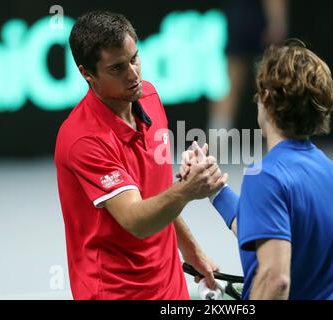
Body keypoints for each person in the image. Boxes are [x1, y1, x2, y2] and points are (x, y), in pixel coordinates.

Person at [55, 11, 227, 300]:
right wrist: (187, 190)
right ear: (87, 73)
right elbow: (137, 220)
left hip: (170, 285)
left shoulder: (148, 97)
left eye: (135, 58)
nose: (134, 74)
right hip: (114, 292)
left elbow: (155, 194)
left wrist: (190, 248)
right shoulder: (83, 139)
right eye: (117, 68)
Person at [179, 39, 333, 300]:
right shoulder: (329, 170)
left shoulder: (267, 176)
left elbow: (276, 280)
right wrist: (216, 189)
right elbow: (269, 228)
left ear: (266, 98)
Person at [208, 0, 288, 132]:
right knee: (271, 81)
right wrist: (277, 22)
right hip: (258, 20)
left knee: (231, 81)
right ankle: (281, 133)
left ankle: (218, 134)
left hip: (237, 15)